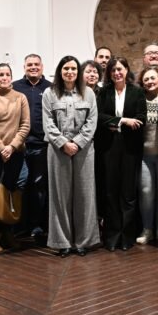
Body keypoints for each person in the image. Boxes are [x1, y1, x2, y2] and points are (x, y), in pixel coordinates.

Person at [42, 56, 100, 257]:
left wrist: (77, 142)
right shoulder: (49, 93)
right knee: (60, 197)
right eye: (66, 68)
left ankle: (84, 241)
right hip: (58, 150)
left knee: (85, 195)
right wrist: (63, 143)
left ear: (78, 72)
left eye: (74, 68)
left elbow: (92, 121)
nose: (70, 72)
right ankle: (62, 242)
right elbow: (48, 123)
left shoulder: (88, 93)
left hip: (84, 150)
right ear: (60, 71)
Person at [95, 56, 146, 251]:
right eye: (113, 70)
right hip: (109, 147)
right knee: (110, 191)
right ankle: (112, 236)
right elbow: (99, 117)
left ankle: (127, 236)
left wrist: (114, 123)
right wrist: (123, 121)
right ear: (109, 73)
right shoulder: (103, 92)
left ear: (126, 70)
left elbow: (141, 118)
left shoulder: (137, 91)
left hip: (130, 147)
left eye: (120, 69)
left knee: (128, 193)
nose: (117, 73)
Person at [0, 63, 31, 253]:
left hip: (15, 152)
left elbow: (25, 125)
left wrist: (12, 146)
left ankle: (7, 234)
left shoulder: (20, 97)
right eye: (0, 74)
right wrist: (2, 148)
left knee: (10, 193)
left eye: (7, 74)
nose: (4, 77)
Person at [12, 54, 52, 244]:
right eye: (30, 65)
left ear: (42, 67)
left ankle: (37, 226)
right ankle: (19, 225)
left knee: (39, 187)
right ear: (24, 67)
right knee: (20, 184)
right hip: (19, 145)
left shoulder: (51, 88)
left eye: (36, 64)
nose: (33, 67)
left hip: (42, 145)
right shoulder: (15, 87)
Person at [136, 67, 158, 245]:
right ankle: (147, 229)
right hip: (144, 156)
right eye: (146, 79)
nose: (150, 82)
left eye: (153, 78)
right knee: (146, 192)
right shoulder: (139, 99)